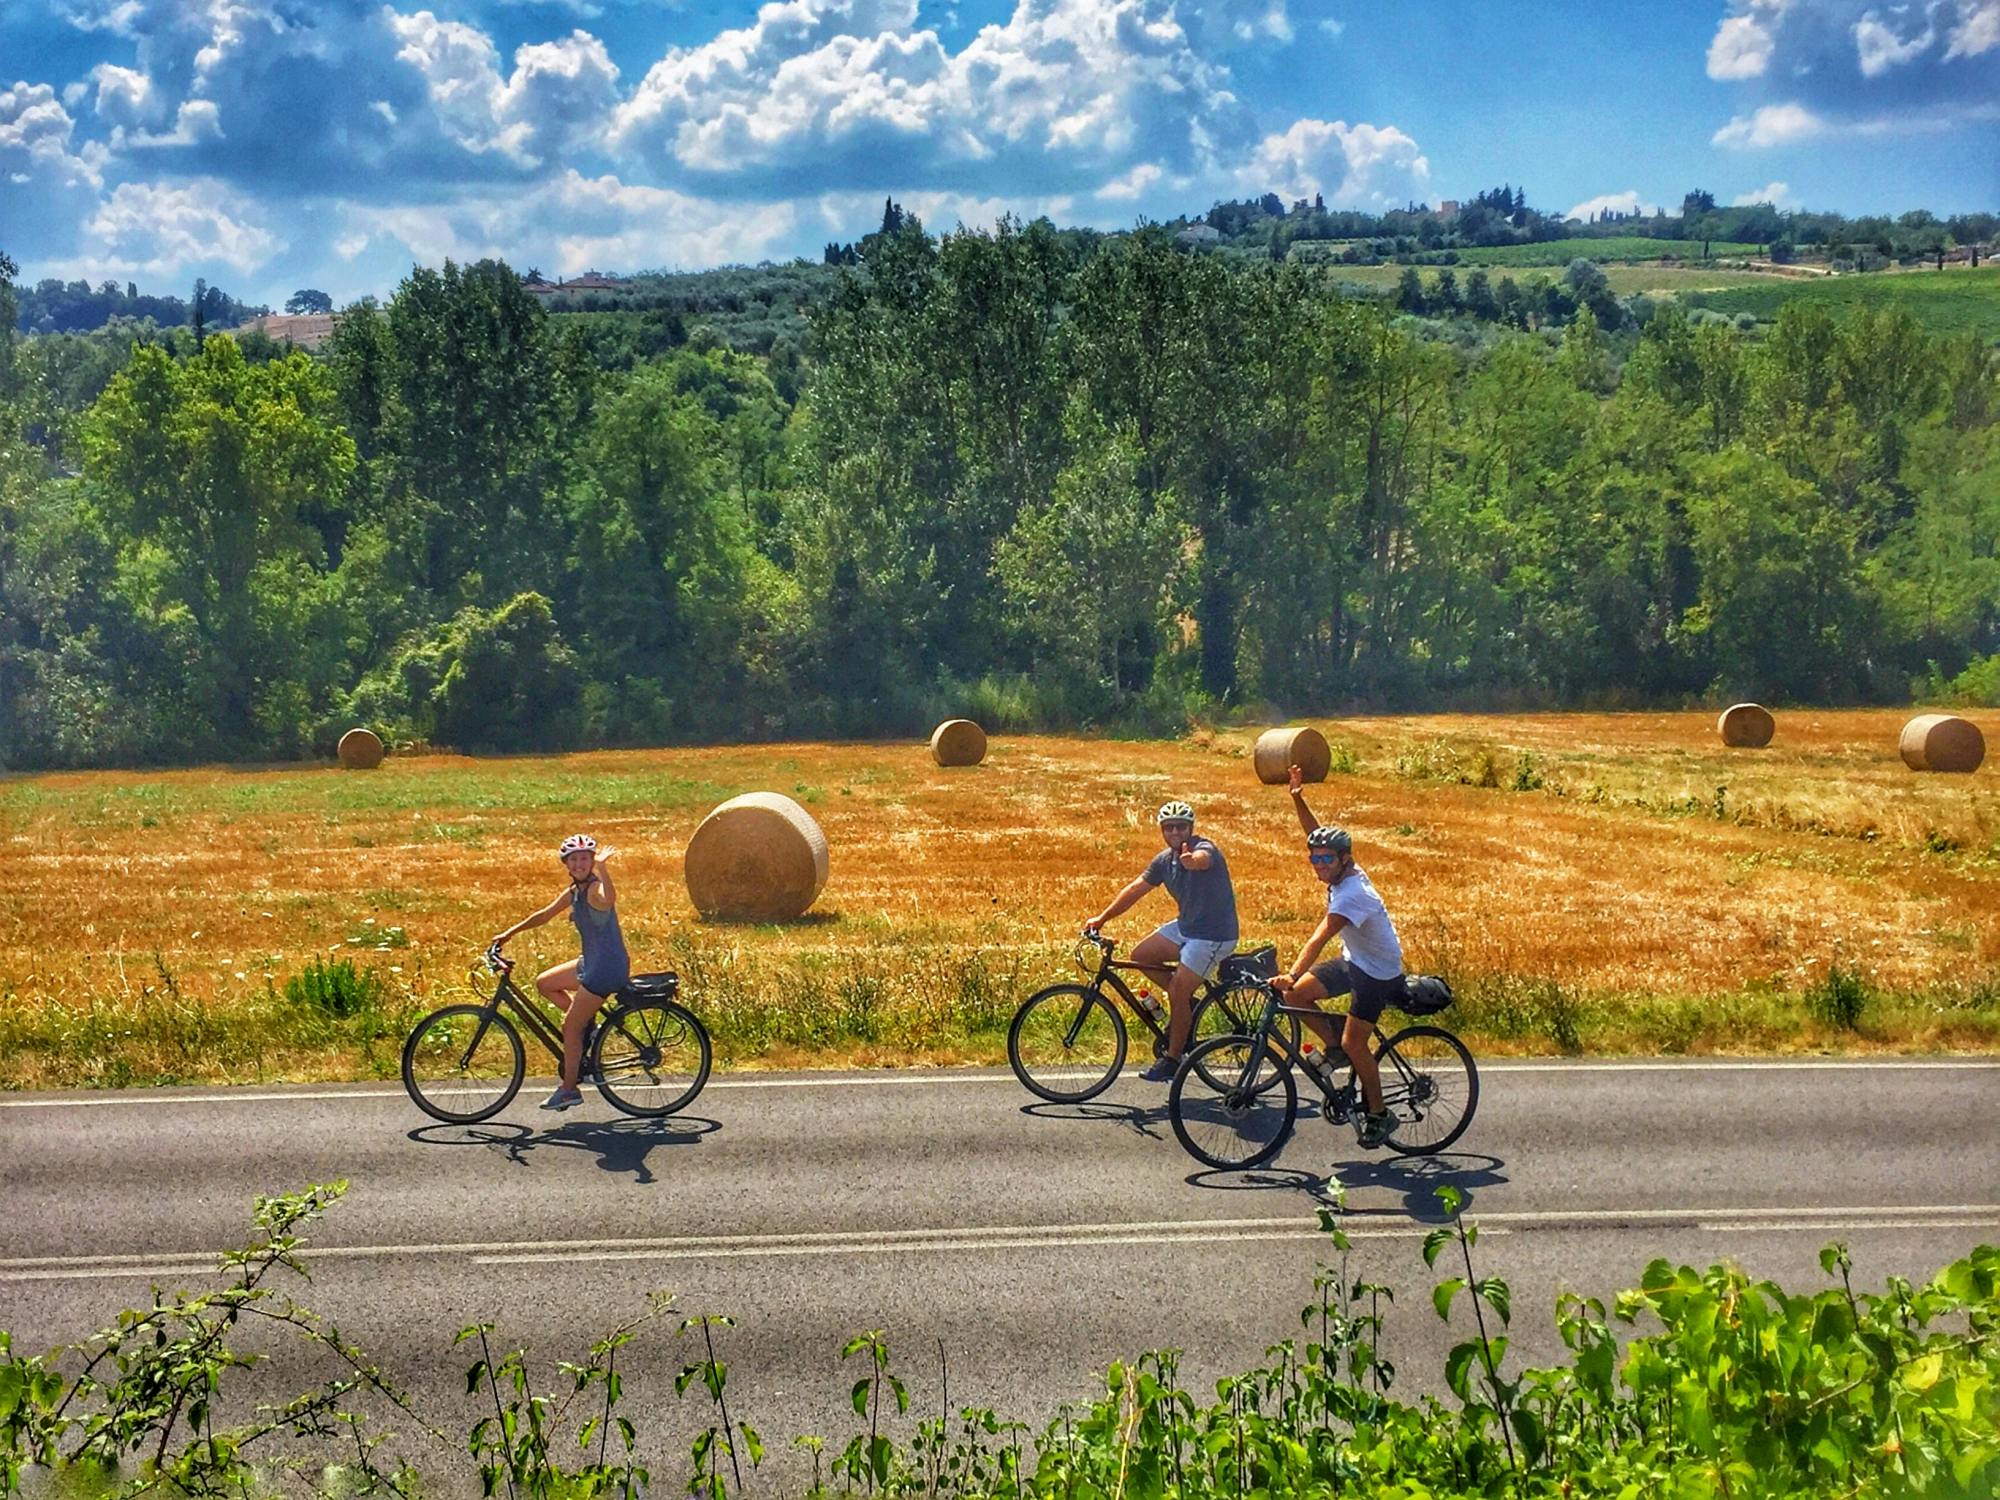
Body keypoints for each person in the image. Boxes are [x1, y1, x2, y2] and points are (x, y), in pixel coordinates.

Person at [1268, 765, 1405, 1148]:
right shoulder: (1340, 867)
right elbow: (1315, 837)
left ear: (1345, 860)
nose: (1320, 866)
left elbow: (1319, 938)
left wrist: (1290, 972)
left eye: (1327, 860)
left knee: (1355, 1043)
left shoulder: (1352, 894)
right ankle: (1335, 1048)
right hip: (1354, 960)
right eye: (1315, 860)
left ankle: (1379, 1114)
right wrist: (1297, 797)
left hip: (1378, 973)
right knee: (1296, 997)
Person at [1084, 800, 1239, 1082]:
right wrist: (1102, 918)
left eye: (1181, 826)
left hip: (1214, 934)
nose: (1175, 832)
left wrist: (1192, 862)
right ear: (1162, 831)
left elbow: (1203, 859)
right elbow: (1135, 890)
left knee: (1177, 992)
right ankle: (1186, 1009)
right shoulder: (1163, 861)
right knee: (1141, 955)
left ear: (1191, 828)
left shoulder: (1205, 848)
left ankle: (1173, 1058)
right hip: (1187, 927)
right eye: (1169, 827)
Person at [491, 833, 630, 1111]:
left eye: (584, 859)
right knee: (545, 983)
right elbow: (545, 914)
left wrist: (603, 868)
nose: (579, 864)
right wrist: (509, 933)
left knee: (569, 1027)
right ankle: (587, 1028)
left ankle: (569, 1090)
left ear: (591, 861)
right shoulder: (574, 891)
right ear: (566, 864)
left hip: (605, 968)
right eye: (574, 859)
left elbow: (608, 899)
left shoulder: (593, 889)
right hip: (591, 961)